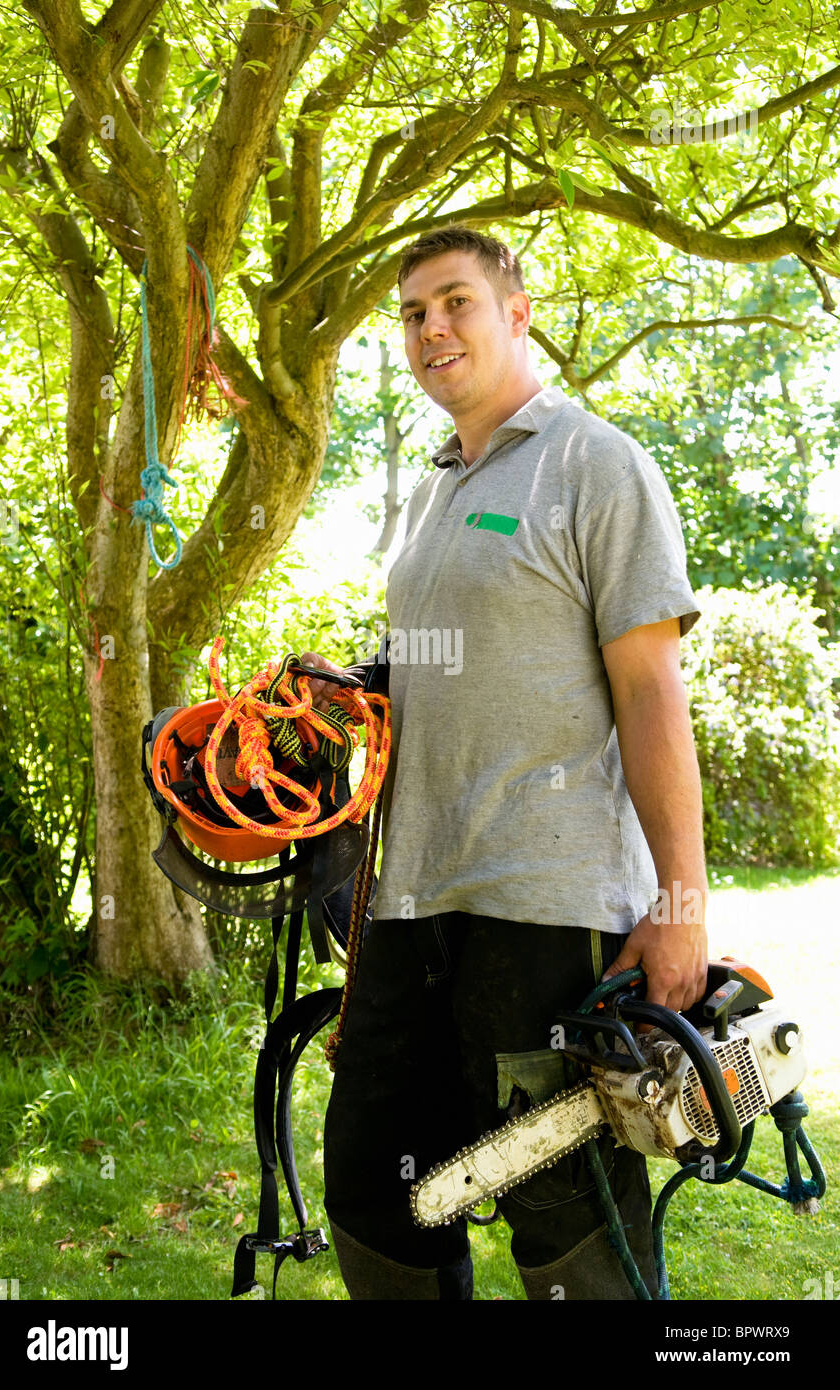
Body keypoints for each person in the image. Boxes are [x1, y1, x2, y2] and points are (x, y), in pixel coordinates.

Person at [301, 225, 708, 1300]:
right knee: (371, 1185)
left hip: (547, 910)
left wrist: (678, 903)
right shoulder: (438, 487)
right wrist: (353, 689)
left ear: (516, 312)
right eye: (411, 314)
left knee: (563, 1209)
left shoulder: (593, 463)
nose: (431, 328)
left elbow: (647, 691)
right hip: (411, 905)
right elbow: (449, 666)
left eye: (454, 302)